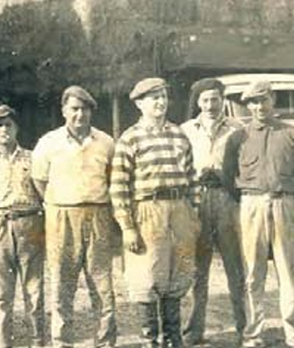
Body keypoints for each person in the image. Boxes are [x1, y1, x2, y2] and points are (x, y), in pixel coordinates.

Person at [222, 80, 294, 348]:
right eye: (252, 102)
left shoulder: (292, 134)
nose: (258, 106)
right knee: (252, 272)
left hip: (284, 203)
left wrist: (285, 194)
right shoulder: (238, 137)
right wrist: (250, 198)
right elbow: (229, 177)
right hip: (251, 204)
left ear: (272, 100)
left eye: (263, 100)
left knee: (288, 269)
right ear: (247, 105)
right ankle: (253, 333)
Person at [110, 77, 199, 348]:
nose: (160, 102)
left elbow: (191, 178)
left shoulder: (178, 134)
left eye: (163, 96)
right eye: (153, 98)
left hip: (179, 210)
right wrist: (127, 226)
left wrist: (193, 215)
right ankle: (150, 341)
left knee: (177, 275)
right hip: (147, 211)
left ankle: (173, 340)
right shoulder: (130, 137)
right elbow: (118, 185)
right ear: (139, 104)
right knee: (146, 277)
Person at [31, 85, 117, 348]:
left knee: (102, 285)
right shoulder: (48, 143)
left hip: (98, 215)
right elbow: (39, 181)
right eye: (74, 109)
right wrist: (61, 202)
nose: (80, 115)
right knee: (62, 285)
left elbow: (112, 179)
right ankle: (62, 343)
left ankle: (105, 343)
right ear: (64, 111)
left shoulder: (105, 142)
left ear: (91, 111)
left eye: (85, 109)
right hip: (61, 216)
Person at [0, 104, 46, 348]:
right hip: (0, 226)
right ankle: (6, 344)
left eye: (8, 125)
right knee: (2, 295)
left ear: (16, 128)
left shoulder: (33, 158)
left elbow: (43, 192)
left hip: (30, 224)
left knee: (34, 291)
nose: (4, 130)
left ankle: (38, 343)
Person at [179, 78, 246, 346]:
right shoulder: (185, 130)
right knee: (198, 270)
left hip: (227, 200)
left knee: (236, 269)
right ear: (198, 102)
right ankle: (194, 331)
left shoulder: (238, 129)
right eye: (205, 100)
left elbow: (245, 165)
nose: (210, 105)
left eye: (215, 99)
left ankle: (245, 329)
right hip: (197, 200)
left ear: (223, 100)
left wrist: (229, 179)